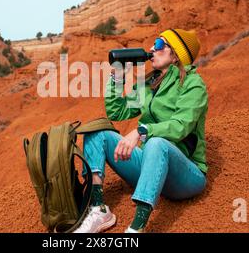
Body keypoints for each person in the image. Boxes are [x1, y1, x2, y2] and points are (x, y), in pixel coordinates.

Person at [73, 29, 209, 233]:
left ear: (176, 55)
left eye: (159, 44)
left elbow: (180, 126)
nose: (152, 48)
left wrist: (141, 131)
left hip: (186, 176)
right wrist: (117, 78)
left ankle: (136, 229)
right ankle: (98, 208)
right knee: (97, 131)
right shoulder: (149, 84)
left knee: (156, 142)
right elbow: (117, 111)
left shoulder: (192, 85)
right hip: (150, 166)